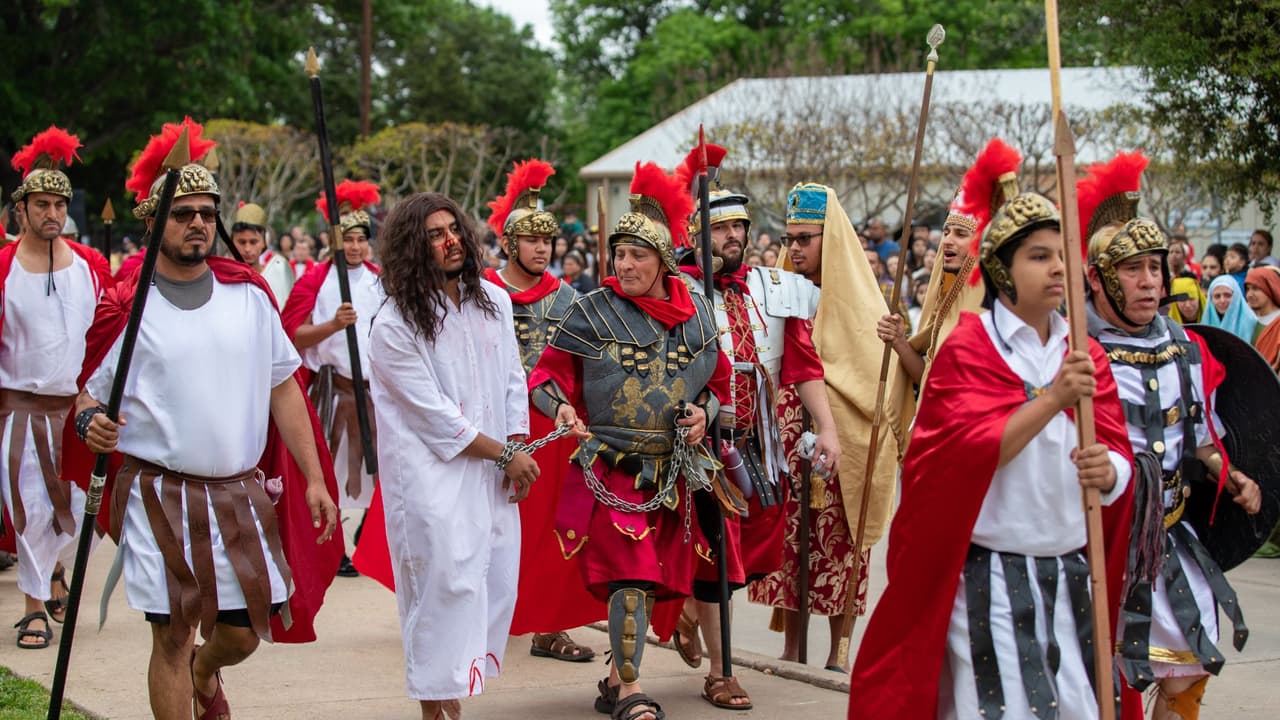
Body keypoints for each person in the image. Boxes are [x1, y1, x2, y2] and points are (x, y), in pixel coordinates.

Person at [73, 117, 339, 718]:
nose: (197, 222)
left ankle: (205, 668)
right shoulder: (127, 305)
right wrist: (91, 424)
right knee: (171, 635)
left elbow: (283, 388)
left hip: (238, 497)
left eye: (205, 212)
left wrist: (314, 477)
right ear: (152, 222)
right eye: (181, 212)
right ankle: (184, 670)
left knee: (243, 634)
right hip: (157, 496)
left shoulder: (248, 295)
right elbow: (85, 398)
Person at [849, 188, 1135, 720]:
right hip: (991, 578)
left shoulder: (1084, 351)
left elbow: (1116, 448)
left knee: (1079, 707)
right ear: (1002, 270)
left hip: (1071, 573)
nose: (1057, 268)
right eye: (1039, 256)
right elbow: (965, 455)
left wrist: (1112, 470)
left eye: (1061, 255)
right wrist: (1053, 399)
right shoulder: (970, 347)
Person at [527, 162, 731, 720]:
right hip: (613, 467)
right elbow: (545, 375)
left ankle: (616, 680)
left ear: (663, 261)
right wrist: (560, 406)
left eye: (637, 255)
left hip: (676, 471)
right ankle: (632, 692)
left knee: (653, 577)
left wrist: (703, 415)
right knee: (632, 575)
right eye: (619, 254)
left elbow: (718, 385)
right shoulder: (591, 311)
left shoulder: (698, 314)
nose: (624, 265)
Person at [1077, 151, 1262, 718]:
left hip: (1169, 533)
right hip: (1098, 540)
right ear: (1099, 278)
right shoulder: (1074, 351)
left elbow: (1200, 438)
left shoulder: (1185, 347)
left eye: (1155, 268)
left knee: (1189, 662)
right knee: (1099, 678)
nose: (1149, 282)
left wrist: (1232, 475)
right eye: (1132, 269)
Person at [669, 146, 834, 710]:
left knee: (747, 558)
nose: (733, 236)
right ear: (697, 233)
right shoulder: (676, 291)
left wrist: (828, 429)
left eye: (739, 226)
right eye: (721, 228)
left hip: (756, 448)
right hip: (694, 446)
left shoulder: (774, 288)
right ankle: (722, 673)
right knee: (715, 557)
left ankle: (690, 615)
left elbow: (803, 366)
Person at [366, 192, 535, 720]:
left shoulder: (494, 301)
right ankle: (435, 706)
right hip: (430, 479)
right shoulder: (394, 324)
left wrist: (517, 444)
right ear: (413, 248)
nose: (451, 241)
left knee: (492, 579)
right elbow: (435, 417)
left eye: (454, 229)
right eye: (435, 235)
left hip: (492, 469)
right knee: (440, 587)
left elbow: (512, 378)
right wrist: (505, 454)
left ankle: (455, 690)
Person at [750, 183, 911, 671]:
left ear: (831, 240)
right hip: (783, 443)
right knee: (789, 547)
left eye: (806, 239)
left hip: (844, 449)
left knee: (841, 549)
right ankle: (791, 652)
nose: (795, 248)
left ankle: (839, 655)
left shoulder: (864, 303)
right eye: (790, 239)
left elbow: (878, 379)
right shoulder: (778, 295)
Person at [481, 158, 602, 663]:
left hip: (551, 424)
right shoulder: (482, 291)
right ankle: (478, 619)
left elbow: (581, 360)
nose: (542, 248)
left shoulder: (568, 297)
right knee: (487, 526)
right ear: (510, 244)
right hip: (491, 423)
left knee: (554, 529)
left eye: (547, 241)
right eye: (531, 240)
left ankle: (550, 626)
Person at [2, 126, 111, 649]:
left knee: (82, 509)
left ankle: (54, 571)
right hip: (19, 411)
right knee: (29, 509)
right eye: (41, 204)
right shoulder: (2, 268)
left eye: (59, 205)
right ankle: (33, 606)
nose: (52, 213)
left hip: (79, 412)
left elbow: (109, 334)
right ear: (21, 209)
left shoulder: (92, 266)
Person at [282, 179, 383, 578]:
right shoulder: (315, 281)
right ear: (334, 240)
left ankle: (368, 537)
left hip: (376, 393)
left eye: (361, 240)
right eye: (348, 239)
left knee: (383, 471)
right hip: (332, 391)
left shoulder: (382, 281)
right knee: (330, 470)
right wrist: (332, 325)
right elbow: (293, 334)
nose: (354, 247)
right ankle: (334, 545)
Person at [877, 138, 1017, 385]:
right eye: (946, 232)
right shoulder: (945, 302)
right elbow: (930, 382)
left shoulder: (1002, 310)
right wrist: (899, 341)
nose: (947, 241)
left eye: (961, 234)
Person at [231, 202, 295, 305]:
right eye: (242, 242)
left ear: (264, 242)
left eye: (253, 242)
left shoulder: (277, 274)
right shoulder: (221, 277)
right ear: (232, 242)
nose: (247, 249)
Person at [1203, 274, 1257, 342]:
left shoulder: (1250, 322)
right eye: (1217, 296)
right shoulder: (1207, 321)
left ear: (1236, 297)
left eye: (1227, 295)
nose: (1222, 300)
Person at [1243, 265, 1280, 331]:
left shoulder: (1277, 322)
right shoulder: (1248, 319)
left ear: (1269, 289)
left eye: (1255, 288)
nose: (1249, 294)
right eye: (1247, 289)